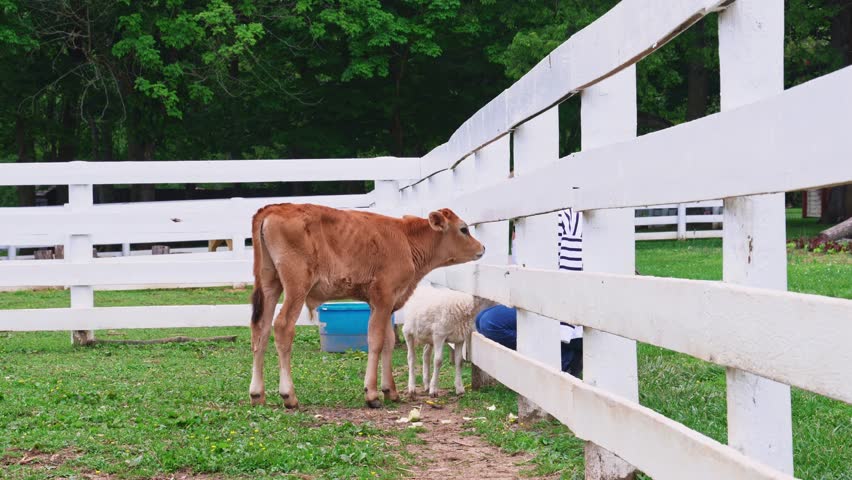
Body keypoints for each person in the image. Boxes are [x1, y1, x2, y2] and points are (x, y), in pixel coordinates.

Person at [476, 210, 584, 378]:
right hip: (540, 300)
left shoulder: (560, 219)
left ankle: (563, 358)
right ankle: (560, 354)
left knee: (491, 322)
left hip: (562, 308)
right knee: (482, 319)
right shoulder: (525, 224)